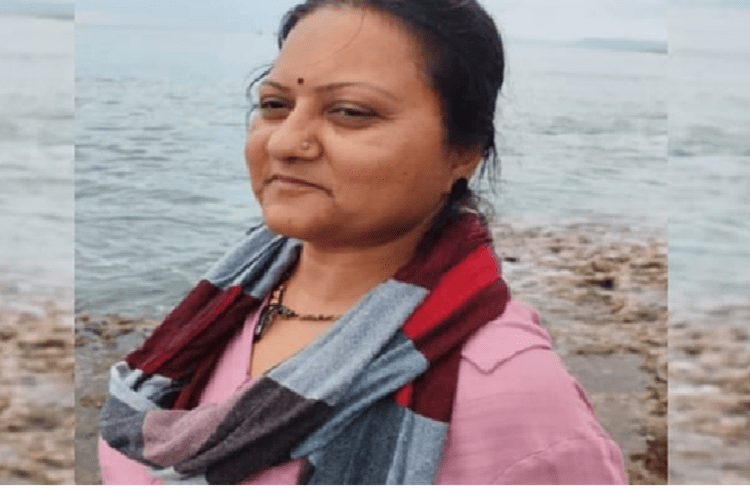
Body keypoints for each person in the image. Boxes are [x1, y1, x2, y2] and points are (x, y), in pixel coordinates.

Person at [97, 0, 628, 484]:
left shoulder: (509, 390)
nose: (284, 141)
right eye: (275, 104)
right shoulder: (220, 307)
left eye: (350, 111)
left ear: (464, 152)